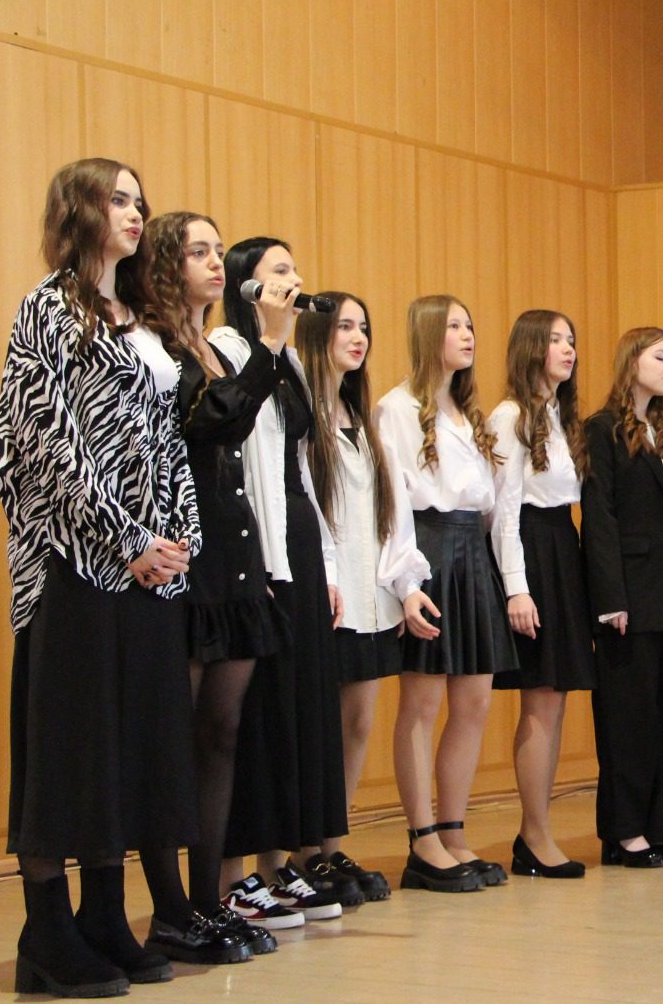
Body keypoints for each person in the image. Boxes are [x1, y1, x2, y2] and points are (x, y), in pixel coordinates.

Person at [0, 159, 238, 998]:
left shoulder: (136, 316)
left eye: (139, 199)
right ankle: (45, 932)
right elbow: (44, 442)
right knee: (69, 750)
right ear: (80, 210)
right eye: (117, 199)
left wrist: (179, 539)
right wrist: (125, 537)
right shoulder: (48, 307)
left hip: (147, 576)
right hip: (73, 566)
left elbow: (169, 441)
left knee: (126, 751)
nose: (135, 212)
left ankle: (105, 916)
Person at [147, 211, 302, 955]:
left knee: (221, 733)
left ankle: (207, 898)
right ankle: (170, 907)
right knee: (172, 739)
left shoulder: (211, 346)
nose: (215, 263)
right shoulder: (156, 348)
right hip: (184, 560)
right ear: (164, 266)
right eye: (197, 252)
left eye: (217, 250)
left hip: (232, 556)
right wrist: (269, 346)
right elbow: (209, 424)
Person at [210, 238, 354, 921]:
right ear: (247, 284)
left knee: (296, 707)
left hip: (299, 540)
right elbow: (242, 460)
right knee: (254, 715)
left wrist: (325, 557)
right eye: (280, 271)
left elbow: (299, 467)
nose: (295, 281)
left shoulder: (291, 359)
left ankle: (276, 864)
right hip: (257, 546)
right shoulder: (231, 349)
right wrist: (261, 563)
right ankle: (230, 875)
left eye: (295, 269)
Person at [295, 292, 437, 896]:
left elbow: (393, 516)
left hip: (371, 594)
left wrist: (407, 586)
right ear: (316, 334)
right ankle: (302, 851)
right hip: (327, 593)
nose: (358, 338)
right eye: (345, 327)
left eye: (364, 328)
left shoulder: (366, 419)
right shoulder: (301, 416)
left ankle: (332, 845)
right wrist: (324, 576)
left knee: (358, 722)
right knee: (317, 726)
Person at [377, 295, 516, 893]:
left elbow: (492, 506)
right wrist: (408, 581)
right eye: (455, 325)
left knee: (475, 701)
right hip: (427, 550)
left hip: (471, 554)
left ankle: (454, 830)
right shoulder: (396, 408)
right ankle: (422, 838)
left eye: (470, 325)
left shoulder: (467, 413)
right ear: (429, 333)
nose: (467, 335)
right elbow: (392, 502)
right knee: (422, 703)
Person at [582, 327, 663, 869]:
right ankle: (624, 832)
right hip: (629, 598)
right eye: (660, 357)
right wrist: (611, 596)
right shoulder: (602, 429)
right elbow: (599, 516)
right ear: (631, 360)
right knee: (628, 719)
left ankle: (659, 827)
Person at [489, 311, 595, 878]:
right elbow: (503, 511)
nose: (567, 349)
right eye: (555, 340)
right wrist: (517, 589)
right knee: (541, 697)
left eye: (571, 339)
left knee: (555, 699)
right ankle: (534, 833)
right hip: (531, 550)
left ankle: (537, 830)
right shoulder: (510, 416)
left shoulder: (557, 415)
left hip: (561, 545)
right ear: (531, 347)